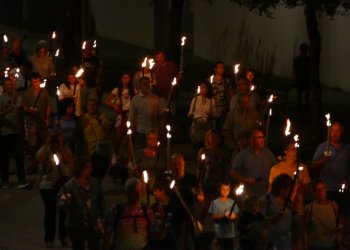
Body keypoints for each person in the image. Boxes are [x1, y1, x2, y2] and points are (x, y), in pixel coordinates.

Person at [58, 155, 104, 250]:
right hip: (76, 225)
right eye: (89, 167)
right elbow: (60, 203)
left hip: (92, 223)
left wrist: (101, 216)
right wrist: (65, 201)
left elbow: (100, 199)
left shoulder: (94, 183)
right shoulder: (69, 186)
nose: (91, 169)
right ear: (81, 169)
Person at [36, 132, 73, 248]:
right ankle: (49, 239)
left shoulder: (64, 150)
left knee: (63, 211)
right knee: (50, 212)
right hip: (47, 186)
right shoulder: (45, 150)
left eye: (60, 141)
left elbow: (68, 160)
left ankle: (63, 237)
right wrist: (47, 145)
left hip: (62, 186)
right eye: (56, 141)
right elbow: (39, 159)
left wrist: (61, 148)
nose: (57, 143)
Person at [103, 177, 152, 250]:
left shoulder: (146, 210)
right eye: (134, 192)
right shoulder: (116, 210)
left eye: (140, 192)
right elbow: (107, 233)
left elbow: (154, 232)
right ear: (127, 193)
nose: (138, 195)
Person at [0, 78, 29, 189]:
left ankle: (21, 180)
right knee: (4, 158)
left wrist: (23, 108)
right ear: (4, 86)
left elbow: (23, 112)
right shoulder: (1, 99)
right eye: (7, 85)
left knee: (19, 156)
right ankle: (5, 181)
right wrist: (6, 111)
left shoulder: (18, 97)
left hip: (17, 131)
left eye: (11, 84)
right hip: (5, 133)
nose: (9, 86)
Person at [312, 122, 350, 203]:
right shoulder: (323, 147)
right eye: (332, 131)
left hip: (344, 189)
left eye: (338, 131)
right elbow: (314, 165)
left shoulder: (347, 148)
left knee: (342, 214)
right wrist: (323, 160)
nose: (334, 133)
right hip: (327, 189)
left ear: (342, 133)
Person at [197, 129, 230, 223]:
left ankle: (220, 226)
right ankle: (200, 226)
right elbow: (200, 167)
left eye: (216, 138)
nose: (214, 140)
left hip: (219, 183)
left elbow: (226, 167)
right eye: (212, 138)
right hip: (207, 182)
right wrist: (199, 183)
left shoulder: (223, 152)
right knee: (205, 206)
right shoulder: (203, 151)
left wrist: (226, 182)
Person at [230, 128, 276, 196]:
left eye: (263, 137)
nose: (263, 140)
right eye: (260, 137)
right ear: (252, 140)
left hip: (266, 194)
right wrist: (244, 180)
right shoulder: (242, 155)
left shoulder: (268, 153)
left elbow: (275, 168)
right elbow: (232, 173)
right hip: (249, 195)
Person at [22, 72, 51, 174]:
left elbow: (48, 105)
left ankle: (44, 165)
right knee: (33, 145)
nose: (36, 84)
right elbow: (24, 107)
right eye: (34, 82)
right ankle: (32, 164)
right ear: (31, 82)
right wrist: (30, 111)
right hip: (32, 123)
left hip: (42, 122)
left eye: (37, 81)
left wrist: (47, 118)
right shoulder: (26, 93)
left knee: (44, 144)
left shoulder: (44, 92)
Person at [103, 72, 135, 163]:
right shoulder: (117, 90)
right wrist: (114, 105)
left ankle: (130, 159)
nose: (125, 79)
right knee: (118, 138)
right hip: (121, 114)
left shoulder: (133, 90)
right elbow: (106, 100)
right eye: (124, 77)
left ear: (130, 79)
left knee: (130, 138)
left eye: (127, 77)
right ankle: (115, 155)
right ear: (121, 79)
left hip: (130, 114)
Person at [150, 178, 189, 250]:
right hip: (157, 244)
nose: (153, 193)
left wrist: (182, 242)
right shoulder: (154, 207)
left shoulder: (175, 206)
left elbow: (183, 223)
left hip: (172, 243)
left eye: (156, 190)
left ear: (163, 191)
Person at [303, 180, 342, 250]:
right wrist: (306, 247)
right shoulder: (309, 208)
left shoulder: (334, 206)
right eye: (317, 190)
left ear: (326, 189)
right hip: (315, 245)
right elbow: (305, 230)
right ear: (314, 192)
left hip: (331, 244)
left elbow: (340, 223)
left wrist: (338, 228)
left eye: (322, 189)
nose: (320, 192)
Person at [260, 174, 294, 250]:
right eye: (289, 187)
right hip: (270, 244)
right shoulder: (267, 199)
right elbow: (259, 220)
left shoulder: (288, 201)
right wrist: (273, 218)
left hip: (286, 244)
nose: (292, 190)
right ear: (282, 189)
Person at [80, 99, 111, 180]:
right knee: (92, 172)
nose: (92, 107)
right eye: (90, 105)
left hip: (102, 149)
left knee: (102, 170)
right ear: (87, 107)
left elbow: (108, 128)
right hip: (91, 150)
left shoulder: (102, 116)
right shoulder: (83, 118)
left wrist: (100, 122)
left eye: (94, 105)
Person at [129, 76, 161, 149]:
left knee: (154, 152)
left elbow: (159, 113)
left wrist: (162, 114)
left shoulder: (155, 98)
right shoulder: (135, 100)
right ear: (140, 85)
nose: (146, 85)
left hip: (153, 130)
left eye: (148, 83)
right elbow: (131, 116)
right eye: (144, 83)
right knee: (142, 152)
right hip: (141, 131)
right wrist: (131, 129)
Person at [208, 181, 239, 250]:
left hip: (230, 233)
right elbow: (213, 216)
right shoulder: (215, 203)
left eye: (227, 189)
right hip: (219, 233)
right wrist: (223, 216)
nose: (225, 191)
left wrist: (233, 216)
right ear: (219, 189)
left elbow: (236, 215)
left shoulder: (232, 202)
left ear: (230, 190)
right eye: (223, 189)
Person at [188, 82, 215, 155]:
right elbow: (190, 112)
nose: (202, 89)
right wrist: (191, 115)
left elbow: (214, 113)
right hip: (197, 124)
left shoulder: (211, 100)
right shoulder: (195, 99)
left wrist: (211, 114)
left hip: (207, 123)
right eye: (201, 87)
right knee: (198, 144)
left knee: (207, 143)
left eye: (204, 87)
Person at [207, 61, 232, 130]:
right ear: (215, 69)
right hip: (213, 108)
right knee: (213, 128)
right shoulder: (210, 80)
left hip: (223, 108)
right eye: (219, 68)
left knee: (222, 128)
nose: (221, 69)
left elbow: (230, 93)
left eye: (223, 68)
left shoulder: (226, 80)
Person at [293, 43, 310, 108]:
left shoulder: (308, 60)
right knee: (300, 95)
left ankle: (305, 107)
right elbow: (295, 70)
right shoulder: (298, 59)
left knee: (306, 95)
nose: (304, 51)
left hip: (305, 79)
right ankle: (300, 107)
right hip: (300, 79)